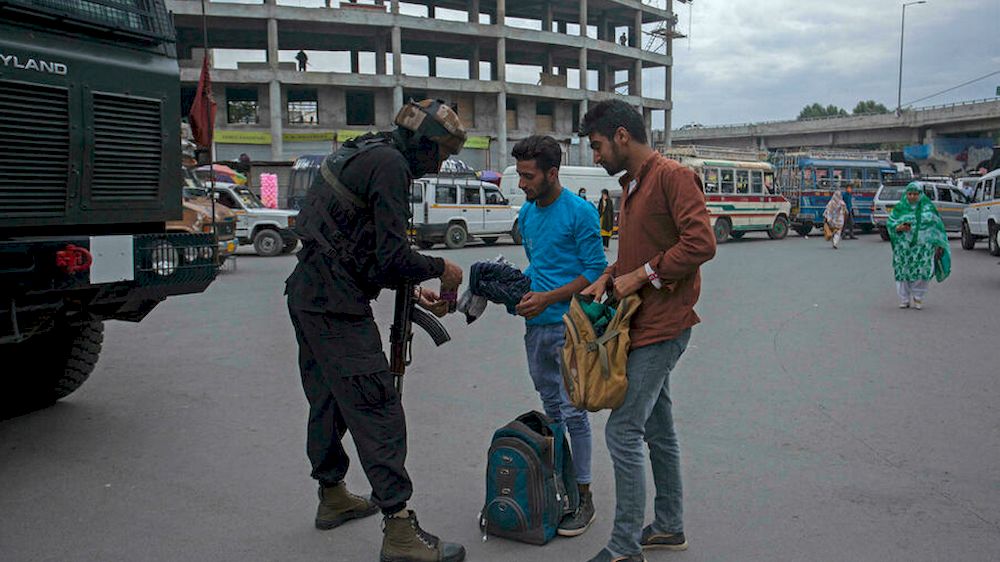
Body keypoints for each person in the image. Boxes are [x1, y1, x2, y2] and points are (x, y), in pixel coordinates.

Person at [285, 99, 468, 562]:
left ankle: (332, 495)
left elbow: (364, 250)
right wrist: (439, 268)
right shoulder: (391, 166)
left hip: (310, 293)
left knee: (328, 399)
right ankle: (400, 528)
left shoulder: (370, 150)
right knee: (376, 405)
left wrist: (414, 284)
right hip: (336, 306)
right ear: (423, 145)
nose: (441, 161)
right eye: (441, 151)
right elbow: (391, 257)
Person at [578, 99, 716, 562]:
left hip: (664, 327)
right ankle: (670, 527)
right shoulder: (633, 186)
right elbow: (642, 250)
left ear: (621, 136)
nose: (595, 156)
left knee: (622, 432)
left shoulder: (673, 177)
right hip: (640, 324)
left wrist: (641, 275)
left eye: (597, 146)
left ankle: (624, 548)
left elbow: (700, 244)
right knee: (659, 432)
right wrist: (612, 271)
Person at [511, 135, 608, 537]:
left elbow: (595, 272)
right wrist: (515, 290)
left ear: (553, 173)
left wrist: (548, 297)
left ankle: (584, 496)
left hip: (570, 328)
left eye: (528, 176)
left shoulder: (581, 212)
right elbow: (539, 266)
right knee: (552, 412)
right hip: (536, 329)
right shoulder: (529, 213)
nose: (521, 184)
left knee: (573, 412)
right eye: (519, 175)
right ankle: (560, 486)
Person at [887, 182, 951, 309]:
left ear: (920, 194)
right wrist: (898, 227)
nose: (912, 196)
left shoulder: (928, 208)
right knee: (902, 272)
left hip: (923, 248)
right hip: (903, 248)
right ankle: (904, 299)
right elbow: (891, 223)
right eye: (909, 194)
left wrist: (938, 243)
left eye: (915, 194)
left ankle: (918, 297)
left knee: (921, 272)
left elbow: (936, 226)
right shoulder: (899, 208)